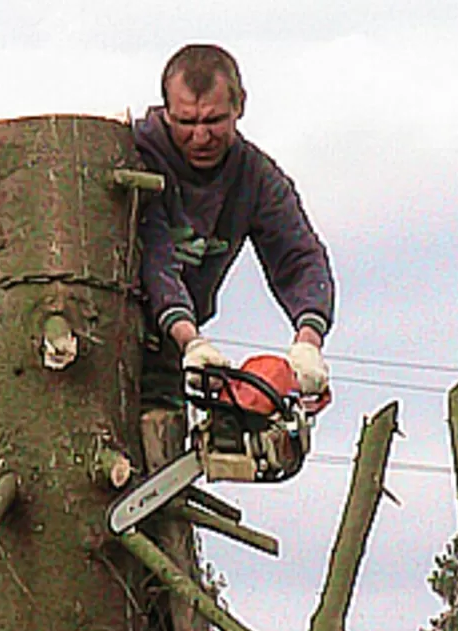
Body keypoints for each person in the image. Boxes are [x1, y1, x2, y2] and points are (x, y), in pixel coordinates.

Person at [134, 43, 335, 410]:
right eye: (186, 122)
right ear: (166, 112)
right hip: (119, 340)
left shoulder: (256, 178)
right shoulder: (136, 159)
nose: (200, 136)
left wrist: (308, 340)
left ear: (239, 106)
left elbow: (300, 258)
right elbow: (155, 257)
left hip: (173, 357)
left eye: (213, 121)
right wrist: (190, 339)